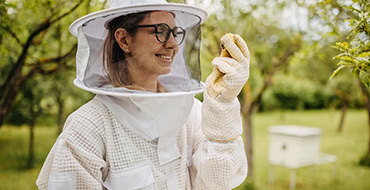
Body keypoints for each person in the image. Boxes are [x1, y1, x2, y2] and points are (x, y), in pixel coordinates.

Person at [36, 0, 250, 189]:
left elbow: (219, 182)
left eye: (175, 33)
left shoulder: (191, 112)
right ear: (124, 40)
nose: (173, 44)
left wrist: (222, 104)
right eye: (161, 31)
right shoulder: (87, 127)